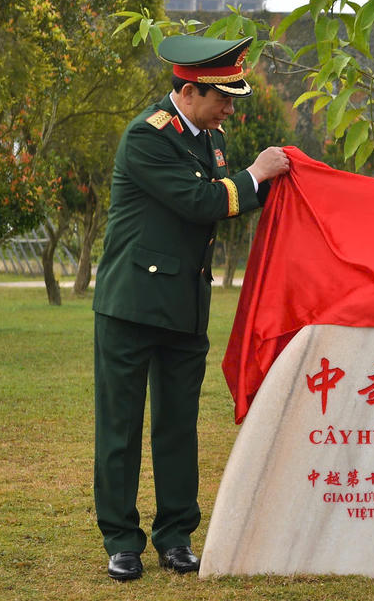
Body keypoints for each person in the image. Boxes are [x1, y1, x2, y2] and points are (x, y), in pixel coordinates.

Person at [91, 34, 290, 581]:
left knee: (178, 427)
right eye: (223, 98)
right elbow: (202, 202)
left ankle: (175, 535)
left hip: (184, 306)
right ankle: (121, 540)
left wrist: (277, 179)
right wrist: (256, 175)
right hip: (131, 306)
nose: (230, 108)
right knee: (120, 429)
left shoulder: (209, 138)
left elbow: (223, 193)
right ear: (188, 91)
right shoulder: (146, 137)